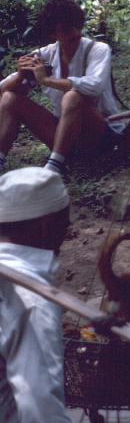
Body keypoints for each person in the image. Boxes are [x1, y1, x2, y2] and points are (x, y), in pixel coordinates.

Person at [0, 0, 124, 175]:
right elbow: (4, 92)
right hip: (66, 136)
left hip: (101, 133)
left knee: (72, 96)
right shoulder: (45, 55)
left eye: (76, 25)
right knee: (10, 98)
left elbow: (94, 86)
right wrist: (21, 75)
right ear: (52, 33)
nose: (74, 32)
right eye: (66, 29)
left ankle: (52, 169)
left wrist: (46, 80)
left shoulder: (98, 49)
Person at [0, 167, 72, 423]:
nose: (68, 228)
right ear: (48, 223)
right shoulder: (31, 300)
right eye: (66, 220)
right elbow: (41, 408)